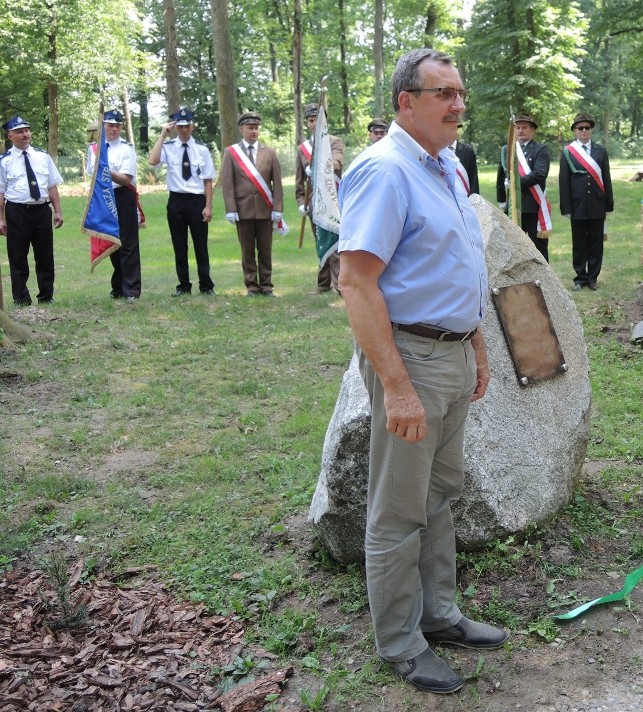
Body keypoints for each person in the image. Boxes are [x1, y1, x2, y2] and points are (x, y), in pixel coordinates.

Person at [337, 48, 507, 695]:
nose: (458, 104)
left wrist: (477, 341)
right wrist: (398, 387)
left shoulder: (446, 166)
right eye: (444, 93)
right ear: (406, 103)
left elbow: (456, 261)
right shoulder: (383, 171)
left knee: (440, 497)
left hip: (454, 355)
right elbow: (356, 284)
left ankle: (439, 614)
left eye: (460, 92)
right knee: (399, 509)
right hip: (411, 361)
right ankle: (401, 643)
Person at [148, 108, 216, 296]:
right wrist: (162, 135)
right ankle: (183, 285)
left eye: (187, 126)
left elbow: (208, 180)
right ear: (175, 126)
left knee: (200, 245)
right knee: (180, 245)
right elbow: (153, 161)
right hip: (176, 200)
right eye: (179, 126)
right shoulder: (168, 148)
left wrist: (208, 205)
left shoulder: (202, 150)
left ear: (192, 126)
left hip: (196, 200)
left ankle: (206, 285)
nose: (183, 130)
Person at [0, 115, 64, 306]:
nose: (25, 134)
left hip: (41, 212)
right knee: (18, 256)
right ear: (10, 136)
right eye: (19, 131)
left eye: (27, 130)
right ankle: (21, 298)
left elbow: (52, 186)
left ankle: (46, 296)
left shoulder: (43, 157)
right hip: (16, 212)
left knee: (45, 255)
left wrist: (58, 211)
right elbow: (0, 191)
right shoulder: (4, 161)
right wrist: (1, 219)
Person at [219, 111, 283, 297]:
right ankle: (252, 286)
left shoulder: (269, 153)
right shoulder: (231, 153)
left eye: (256, 128)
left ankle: (267, 285)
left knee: (265, 249)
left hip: (265, 209)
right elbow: (228, 183)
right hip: (243, 209)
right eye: (250, 128)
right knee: (247, 250)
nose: (254, 131)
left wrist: (277, 208)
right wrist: (230, 208)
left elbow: (277, 183)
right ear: (241, 129)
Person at [88, 110, 141, 300]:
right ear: (103, 126)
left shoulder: (127, 148)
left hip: (122, 195)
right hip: (103, 196)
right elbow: (91, 176)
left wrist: (105, 170)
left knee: (128, 243)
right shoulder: (94, 149)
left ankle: (132, 289)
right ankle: (118, 287)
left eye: (117, 125)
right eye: (110, 125)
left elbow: (126, 179)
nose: (114, 129)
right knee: (111, 241)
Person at [558, 112, 613, 291]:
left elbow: (606, 178)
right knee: (579, 242)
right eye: (580, 128)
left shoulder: (600, 151)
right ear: (574, 130)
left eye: (587, 128)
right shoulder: (568, 152)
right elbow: (564, 180)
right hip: (577, 204)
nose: (583, 131)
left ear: (591, 130)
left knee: (596, 242)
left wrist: (608, 204)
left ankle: (593, 278)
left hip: (597, 203)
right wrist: (566, 207)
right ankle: (580, 278)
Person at [295, 103, 344, 293]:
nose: (314, 124)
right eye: (311, 120)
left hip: (332, 199)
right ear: (307, 123)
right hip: (314, 201)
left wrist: (319, 166)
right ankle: (323, 284)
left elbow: (338, 162)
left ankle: (340, 284)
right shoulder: (303, 149)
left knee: (335, 241)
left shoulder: (334, 142)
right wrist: (301, 202)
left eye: (318, 120)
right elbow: (299, 180)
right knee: (320, 240)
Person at [496, 112, 552, 261]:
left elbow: (539, 173)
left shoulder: (541, 149)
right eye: (518, 127)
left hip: (533, 206)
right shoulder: (507, 150)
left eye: (524, 127)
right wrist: (502, 202)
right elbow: (501, 176)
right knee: (514, 247)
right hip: (514, 207)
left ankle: (545, 281)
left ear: (532, 130)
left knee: (538, 246)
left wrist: (516, 183)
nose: (520, 131)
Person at [450, 122, 479, 196]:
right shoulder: (438, 151)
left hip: (465, 197)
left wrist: (474, 200)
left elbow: (473, 179)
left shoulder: (467, 151)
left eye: (454, 128)